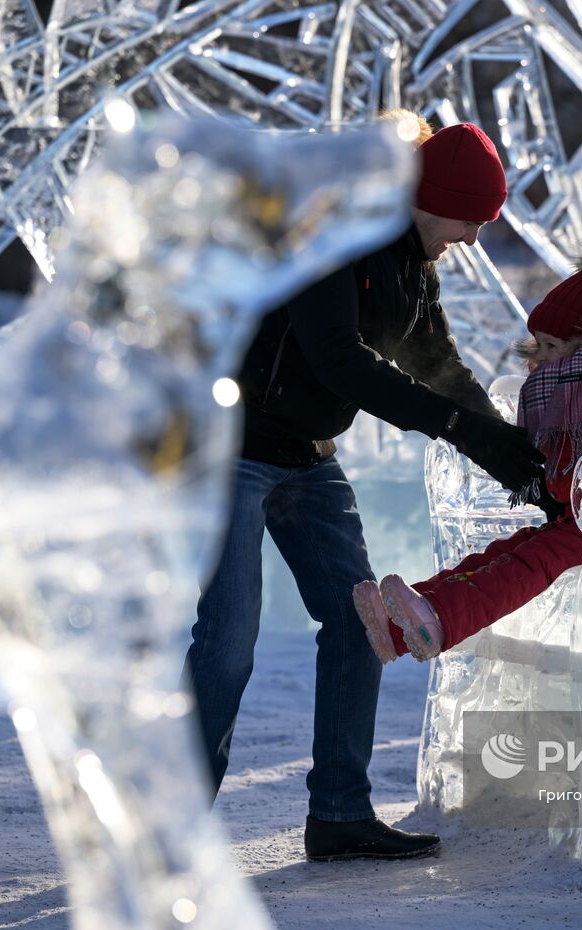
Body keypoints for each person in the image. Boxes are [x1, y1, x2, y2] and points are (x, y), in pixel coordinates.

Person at [185, 114, 549, 862]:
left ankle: (341, 815)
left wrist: (516, 458)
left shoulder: (415, 263)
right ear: (432, 197)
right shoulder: (337, 230)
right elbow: (337, 361)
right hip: (233, 449)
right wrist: (456, 425)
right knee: (228, 644)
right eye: (468, 220)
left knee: (360, 624)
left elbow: (440, 364)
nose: (473, 239)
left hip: (308, 456)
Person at [353, 232, 582, 662]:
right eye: (537, 344)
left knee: (528, 562)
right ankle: (403, 621)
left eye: (553, 347)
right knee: (506, 553)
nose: (538, 359)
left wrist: (561, 490)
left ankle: (439, 618)